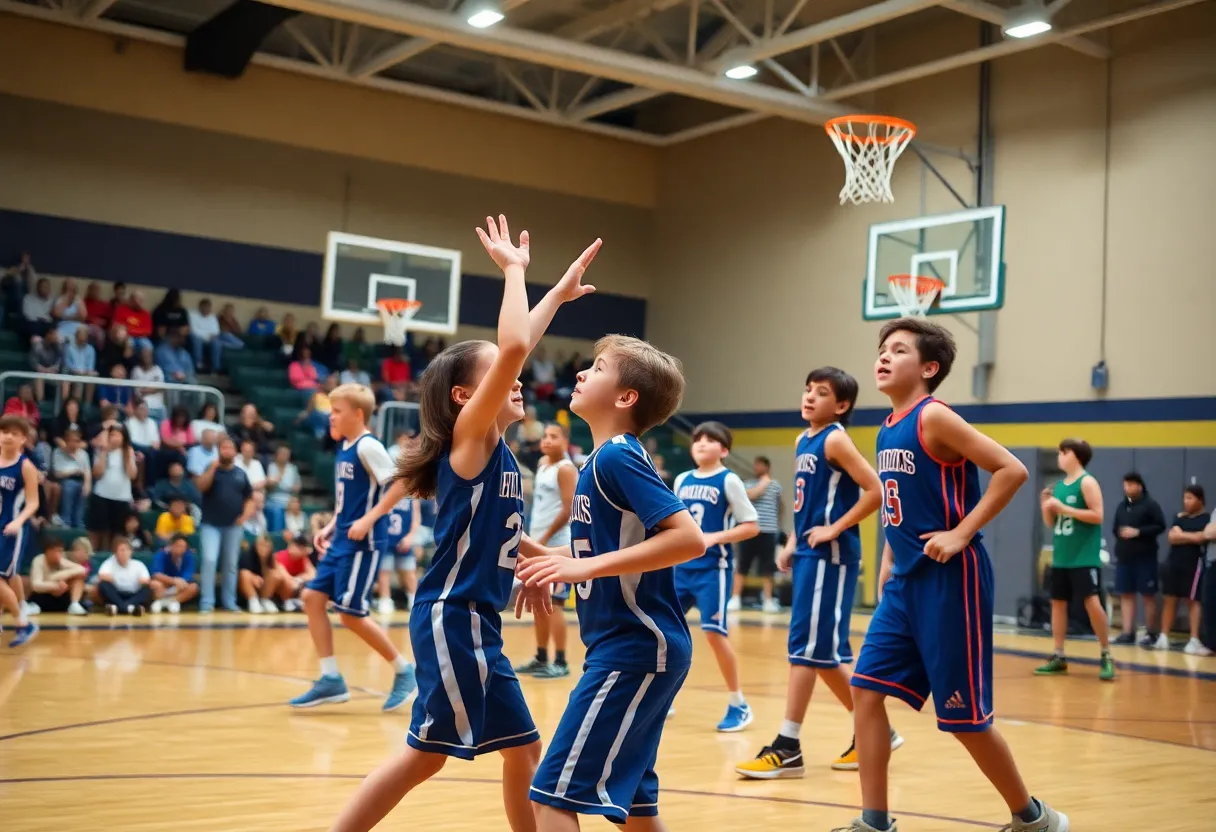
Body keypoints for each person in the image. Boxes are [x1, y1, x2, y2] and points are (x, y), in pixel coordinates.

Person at [328, 216, 600, 832]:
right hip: (453, 616)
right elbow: (511, 348)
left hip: (477, 621)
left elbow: (502, 533)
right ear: (463, 397)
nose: (519, 375)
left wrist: (556, 293)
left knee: (524, 750)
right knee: (426, 755)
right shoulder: (470, 441)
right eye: (501, 377)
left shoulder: (500, 451)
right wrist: (514, 272)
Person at [840, 318, 1066, 832]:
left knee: (964, 719)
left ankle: (1033, 818)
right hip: (904, 585)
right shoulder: (886, 426)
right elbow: (902, 506)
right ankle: (874, 821)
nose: (883, 356)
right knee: (865, 690)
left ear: (928, 367)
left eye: (897, 350)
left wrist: (961, 532)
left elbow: (1012, 469)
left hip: (951, 581)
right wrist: (892, 561)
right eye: (881, 348)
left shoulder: (934, 417)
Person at [515, 333, 702, 831]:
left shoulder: (620, 454)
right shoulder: (596, 462)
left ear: (625, 398)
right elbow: (587, 552)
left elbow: (688, 539)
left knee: (552, 797)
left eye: (596, 368)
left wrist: (584, 568)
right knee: (637, 808)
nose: (580, 373)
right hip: (625, 647)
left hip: (636, 647)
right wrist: (530, 553)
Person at [737, 367, 898, 779]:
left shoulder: (836, 439)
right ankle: (877, 731)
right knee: (823, 654)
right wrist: (792, 541)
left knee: (807, 649)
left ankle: (788, 745)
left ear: (841, 406)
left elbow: (876, 490)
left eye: (821, 392)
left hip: (832, 555)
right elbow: (806, 500)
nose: (809, 396)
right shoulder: (803, 438)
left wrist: (835, 528)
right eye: (807, 389)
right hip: (810, 551)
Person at [288, 383, 417, 712]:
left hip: (364, 541)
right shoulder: (345, 446)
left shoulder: (367, 446)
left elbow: (401, 483)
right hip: (343, 537)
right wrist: (333, 524)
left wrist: (368, 519)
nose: (330, 417)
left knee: (349, 613)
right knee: (312, 598)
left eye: (336, 411)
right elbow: (351, 496)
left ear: (358, 415)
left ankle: (405, 670)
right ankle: (331, 679)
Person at [670, 421, 759, 731]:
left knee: (714, 633)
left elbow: (751, 525)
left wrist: (713, 537)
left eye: (710, 440)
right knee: (664, 630)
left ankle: (739, 703)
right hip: (680, 568)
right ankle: (661, 697)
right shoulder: (681, 479)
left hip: (713, 570)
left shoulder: (729, 479)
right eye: (697, 440)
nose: (702, 444)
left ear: (724, 450)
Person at [1034, 439, 1114, 679]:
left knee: (1092, 602)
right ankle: (1059, 655)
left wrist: (1064, 508)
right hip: (1062, 557)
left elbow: (1098, 515)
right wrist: (1045, 506)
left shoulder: (1087, 482)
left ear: (1075, 455)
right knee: (1057, 604)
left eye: (1062, 452)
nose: (1059, 455)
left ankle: (1106, 653)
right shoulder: (1058, 486)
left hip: (1084, 557)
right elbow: (1052, 524)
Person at [514, 422, 577, 680]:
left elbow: (568, 509)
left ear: (565, 441)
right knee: (539, 603)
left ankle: (560, 661)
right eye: (545, 437)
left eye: (554, 437)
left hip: (557, 545)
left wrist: (544, 540)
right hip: (539, 543)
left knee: (557, 604)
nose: (548, 441)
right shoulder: (542, 464)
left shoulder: (566, 469)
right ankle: (541, 657)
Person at [195, 437, 253, 613]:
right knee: (210, 560)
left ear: (235, 452)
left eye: (230, 447)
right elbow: (201, 487)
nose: (226, 450)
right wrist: (212, 468)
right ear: (218, 451)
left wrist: (244, 517)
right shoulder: (211, 469)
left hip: (233, 526)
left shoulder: (241, 473)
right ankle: (207, 602)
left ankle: (229, 601)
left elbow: (249, 499)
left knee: (230, 564)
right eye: (223, 447)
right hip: (210, 524)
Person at [0, 415, 41, 646]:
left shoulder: (25, 466)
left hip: (9, 529)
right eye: (4, 431)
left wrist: (19, 521)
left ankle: (24, 623)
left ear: (23, 439)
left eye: (14, 433)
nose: (7, 436)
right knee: (8, 576)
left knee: (1, 578)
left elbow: (33, 502)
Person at [1111, 472, 1165, 646]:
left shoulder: (1151, 505)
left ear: (1139, 486)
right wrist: (1121, 534)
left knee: (1148, 595)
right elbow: (1115, 528)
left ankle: (1151, 633)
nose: (1127, 488)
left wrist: (1138, 532)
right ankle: (1128, 633)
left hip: (1145, 558)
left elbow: (1160, 526)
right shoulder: (1121, 506)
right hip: (1124, 558)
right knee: (1126, 594)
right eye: (1125, 484)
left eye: (1131, 484)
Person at [1160, 484, 1210, 654]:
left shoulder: (1207, 519)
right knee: (1169, 599)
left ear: (1200, 499)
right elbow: (1172, 538)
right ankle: (1163, 636)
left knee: (1193, 601)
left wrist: (1184, 536)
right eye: (1184, 498)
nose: (1185, 502)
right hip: (1174, 563)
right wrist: (1190, 536)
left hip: (1194, 564)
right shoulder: (1179, 518)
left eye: (1190, 498)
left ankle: (1194, 639)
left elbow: (1201, 538)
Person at [731, 455, 783, 613]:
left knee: (768, 568)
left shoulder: (775, 485)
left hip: (768, 531)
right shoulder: (747, 484)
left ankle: (768, 600)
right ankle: (735, 599)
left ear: (767, 467)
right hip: (749, 531)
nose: (757, 468)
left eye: (760, 465)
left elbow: (780, 506)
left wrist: (777, 525)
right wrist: (764, 483)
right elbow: (751, 496)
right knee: (742, 565)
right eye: (755, 465)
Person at [88, 423, 137, 553]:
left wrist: (128, 454)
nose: (113, 437)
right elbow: (97, 473)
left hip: (121, 498)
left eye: (116, 434)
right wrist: (105, 451)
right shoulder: (100, 450)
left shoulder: (128, 452)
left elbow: (132, 474)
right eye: (111, 435)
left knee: (117, 533)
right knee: (99, 531)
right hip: (101, 495)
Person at [375, 487, 420, 616]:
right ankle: (385, 600)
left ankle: (414, 600)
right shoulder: (383, 490)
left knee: (409, 572)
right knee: (384, 572)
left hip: (404, 539)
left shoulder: (412, 494)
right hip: (386, 538)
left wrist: (410, 537)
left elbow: (416, 520)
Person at [25, 536, 88, 615]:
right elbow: (36, 585)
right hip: (43, 597)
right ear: (48, 552)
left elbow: (82, 570)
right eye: (56, 551)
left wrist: (59, 578)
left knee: (79, 578)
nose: (59, 554)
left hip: (61, 596)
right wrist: (55, 585)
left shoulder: (62, 561)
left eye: (60, 551)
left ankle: (74, 604)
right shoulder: (38, 560)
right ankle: (33, 607)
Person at [97, 537, 152, 616]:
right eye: (121, 550)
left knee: (147, 589)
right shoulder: (109, 563)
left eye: (127, 550)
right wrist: (110, 578)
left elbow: (146, 580)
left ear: (131, 552)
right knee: (103, 585)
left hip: (133, 594)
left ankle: (120, 607)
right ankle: (130, 608)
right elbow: (102, 576)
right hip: (117, 594)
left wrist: (144, 581)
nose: (124, 553)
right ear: (115, 553)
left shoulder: (138, 564)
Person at [149, 534, 199, 613]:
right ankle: (160, 602)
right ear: (171, 545)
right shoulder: (161, 554)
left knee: (194, 587)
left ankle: (171, 602)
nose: (180, 549)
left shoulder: (188, 556)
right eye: (178, 546)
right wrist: (173, 581)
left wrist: (181, 582)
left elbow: (188, 574)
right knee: (155, 584)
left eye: (183, 547)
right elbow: (156, 574)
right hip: (165, 584)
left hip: (180, 587)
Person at [239, 534, 281, 614]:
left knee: (275, 575)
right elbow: (242, 572)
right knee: (244, 574)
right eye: (261, 545)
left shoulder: (271, 558)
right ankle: (253, 600)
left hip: (262, 586)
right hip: (248, 587)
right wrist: (254, 577)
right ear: (256, 545)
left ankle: (265, 600)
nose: (264, 549)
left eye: (267, 546)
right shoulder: (247, 554)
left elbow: (277, 572)